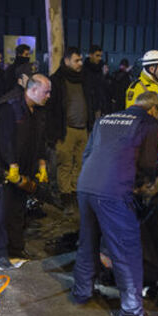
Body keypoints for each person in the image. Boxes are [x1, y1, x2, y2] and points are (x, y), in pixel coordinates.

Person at [71, 91, 158, 316]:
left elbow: (88, 154)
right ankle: (132, 312)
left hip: (86, 186)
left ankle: (81, 292)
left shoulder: (105, 119)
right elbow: (149, 163)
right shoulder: (149, 123)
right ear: (154, 109)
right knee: (126, 251)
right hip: (113, 191)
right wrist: (144, 185)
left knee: (88, 242)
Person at [0, 74, 51, 268]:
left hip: (23, 171)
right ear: (33, 89)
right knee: (0, 212)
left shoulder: (37, 111)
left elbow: (40, 141)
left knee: (17, 211)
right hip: (3, 170)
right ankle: (0, 252)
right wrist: (12, 165)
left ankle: (16, 248)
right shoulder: (10, 107)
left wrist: (42, 165)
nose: (49, 96)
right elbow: (4, 140)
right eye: (46, 92)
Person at [47, 46, 98, 202]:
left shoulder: (84, 79)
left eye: (81, 60)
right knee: (65, 164)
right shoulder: (56, 80)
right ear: (67, 61)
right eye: (76, 60)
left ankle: (75, 192)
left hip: (83, 129)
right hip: (66, 130)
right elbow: (51, 109)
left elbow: (91, 101)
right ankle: (65, 195)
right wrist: (54, 132)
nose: (80, 63)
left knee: (80, 163)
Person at [82, 44, 109, 115]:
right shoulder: (84, 71)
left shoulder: (100, 70)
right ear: (90, 55)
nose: (99, 58)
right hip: (86, 107)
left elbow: (103, 89)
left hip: (98, 107)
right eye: (97, 55)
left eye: (101, 56)